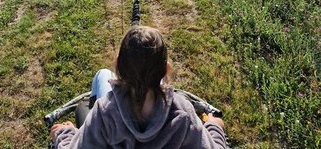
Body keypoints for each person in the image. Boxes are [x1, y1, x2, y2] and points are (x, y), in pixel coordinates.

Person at [51, 26, 227, 148]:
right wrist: (214, 127)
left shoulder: (104, 112)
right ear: (166, 70)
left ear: (118, 65)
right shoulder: (183, 113)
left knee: (102, 75)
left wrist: (64, 134)